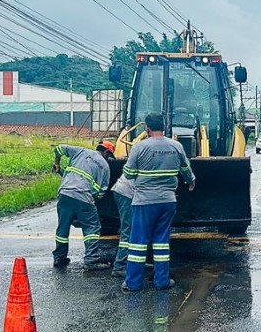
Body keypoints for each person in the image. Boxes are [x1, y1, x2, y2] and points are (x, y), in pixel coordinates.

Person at [122, 113, 196, 291]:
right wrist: (191, 181)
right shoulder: (176, 146)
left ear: (147, 129)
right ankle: (162, 281)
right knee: (161, 241)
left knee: (138, 242)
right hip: (168, 201)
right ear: (164, 127)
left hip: (144, 202)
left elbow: (129, 174)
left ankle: (133, 283)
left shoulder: (139, 147)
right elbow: (186, 169)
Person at [52, 141, 113, 271]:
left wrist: (57, 164)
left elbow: (58, 148)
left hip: (65, 194)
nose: (109, 158)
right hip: (84, 198)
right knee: (92, 227)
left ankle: (59, 257)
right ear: (106, 152)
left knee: (62, 228)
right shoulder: (105, 166)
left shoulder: (80, 151)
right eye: (110, 155)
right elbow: (101, 191)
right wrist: (92, 204)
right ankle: (91, 261)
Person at [110, 172, 134, 278]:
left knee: (134, 228)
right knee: (127, 229)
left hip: (125, 190)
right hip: (127, 193)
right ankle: (119, 266)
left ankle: (133, 261)